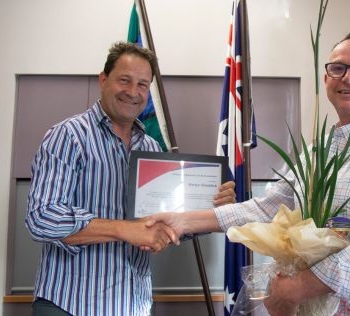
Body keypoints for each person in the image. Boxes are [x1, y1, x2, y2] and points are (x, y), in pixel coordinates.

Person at [147, 30, 350, 315]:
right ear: (326, 79)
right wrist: (183, 221)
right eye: (338, 68)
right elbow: (268, 208)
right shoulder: (317, 150)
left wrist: (296, 288)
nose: (348, 77)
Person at [26, 41, 236, 316]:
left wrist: (212, 210)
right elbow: (41, 218)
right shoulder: (69, 136)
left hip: (132, 304)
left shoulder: (150, 148)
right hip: (70, 305)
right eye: (124, 80)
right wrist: (126, 229)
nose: (133, 92)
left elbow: (162, 223)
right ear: (103, 80)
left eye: (142, 85)